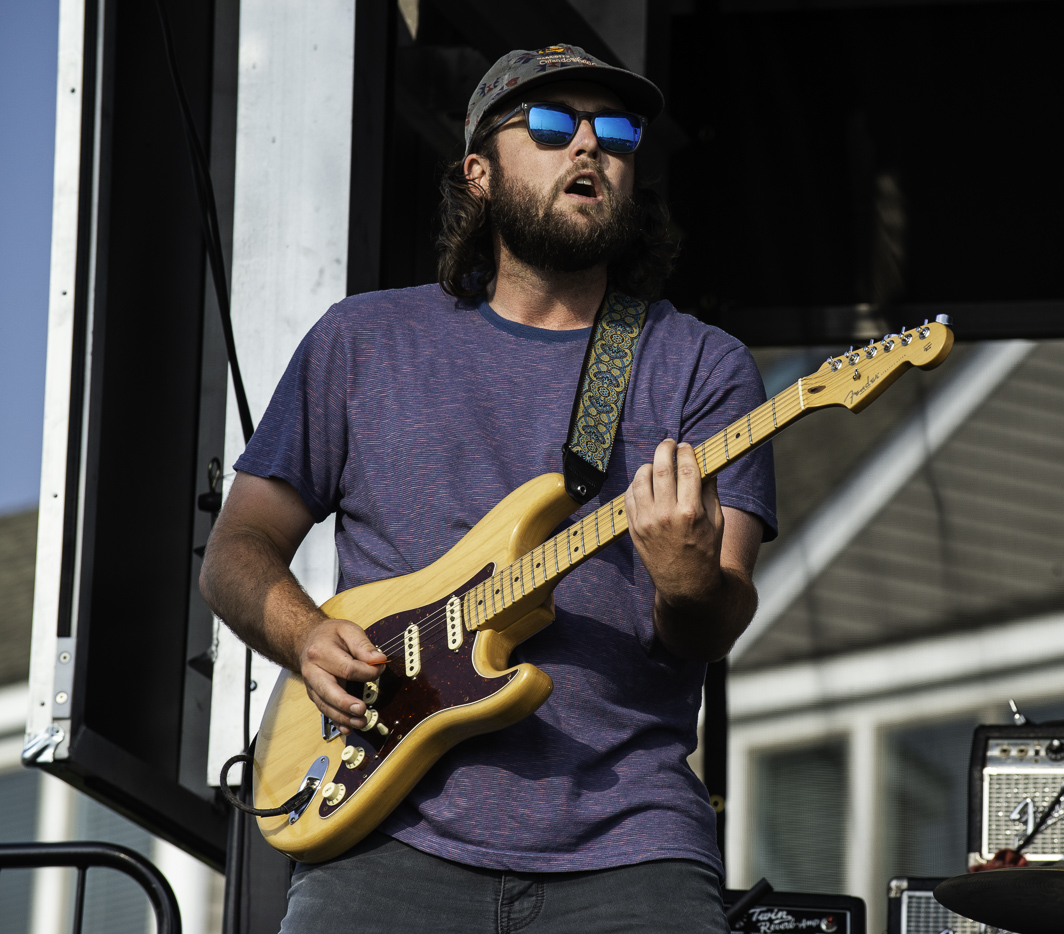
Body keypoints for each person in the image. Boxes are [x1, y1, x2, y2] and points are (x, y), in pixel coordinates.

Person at [199, 43, 777, 934]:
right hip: (384, 837)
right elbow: (238, 552)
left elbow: (711, 625)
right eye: (551, 125)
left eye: (615, 132)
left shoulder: (699, 365)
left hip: (631, 848)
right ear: (478, 172)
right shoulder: (363, 341)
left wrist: (687, 576)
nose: (589, 147)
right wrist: (307, 637)